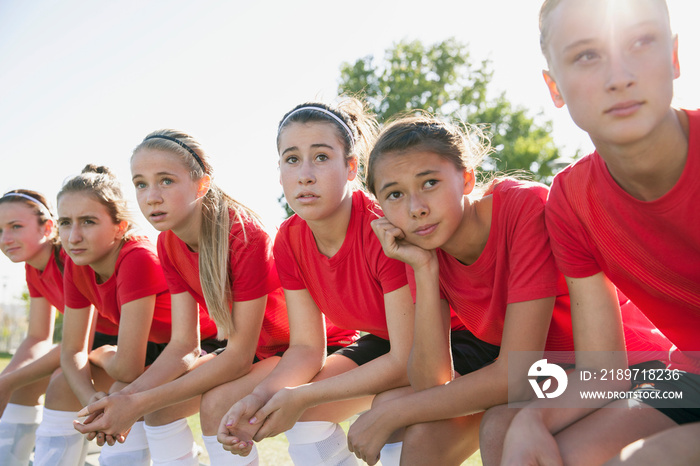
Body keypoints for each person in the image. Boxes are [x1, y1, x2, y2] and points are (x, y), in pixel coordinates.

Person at [344, 113, 673, 466]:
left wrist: (394, 414)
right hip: (555, 378)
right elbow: (431, 382)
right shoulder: (422, 250)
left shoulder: (521, 207)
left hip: (629, 369)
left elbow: (516, 374)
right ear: (380, 208)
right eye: (395, 195)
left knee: (495, 426)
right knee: (440, 430)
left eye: (429, 183)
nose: (416, 208)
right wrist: (424, 271)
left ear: (466, 178)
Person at [493, 0, 700, 464]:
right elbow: (603, 371)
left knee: (651, 457)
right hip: (686, 379)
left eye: (641, 42)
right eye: (587, 55)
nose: (618, 76)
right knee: (527, 441)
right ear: (554, 87)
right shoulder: (570, 201)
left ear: (674, 56)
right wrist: (534, 418)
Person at [213, 99, 467, 466]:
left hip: (445, 340)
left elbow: (404, 358)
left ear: (351, 168)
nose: (305, 174)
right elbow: (305, 348)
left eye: (320, 157)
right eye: (291, 159)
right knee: (304, 418)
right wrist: (260, 396)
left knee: (373, 415)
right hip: (387, 343)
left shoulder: (382, 226)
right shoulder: (289, 239)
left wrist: (301, 395)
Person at [73, 129, 304, 466]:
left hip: (296, 350)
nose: (151, 196)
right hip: (256, 352)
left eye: (165, 181)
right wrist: (125, 397)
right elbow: (183, 346)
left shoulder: (242, 233)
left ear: (201, 185)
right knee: (158, 410)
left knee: (216, 405)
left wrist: (138, 402)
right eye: (140, 183)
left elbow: (238, 357)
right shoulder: (168, 243)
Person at [29, 165, 173, 466]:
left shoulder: (137, 257)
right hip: (151, 352)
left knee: (119, 398)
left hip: (192, 350)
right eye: (66, 223)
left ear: (120, 227)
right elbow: (71, 352)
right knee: (61, 385)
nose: (74, 235)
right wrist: (88, 398)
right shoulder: (76, 263)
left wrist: (104, 353)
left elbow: (127, 369)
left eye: (88, 222)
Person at [0, 190, 114, 465]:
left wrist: (7, 382)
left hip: (118, 346)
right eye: (0, 230)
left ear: (48, 226)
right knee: (18, 387)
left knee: (57, 385)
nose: (5, 239)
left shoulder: (71, 258)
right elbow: (37, 337)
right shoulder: (33, 268)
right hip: (88, 347)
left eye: (16, 226)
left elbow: (80, 345)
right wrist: (7, 379)